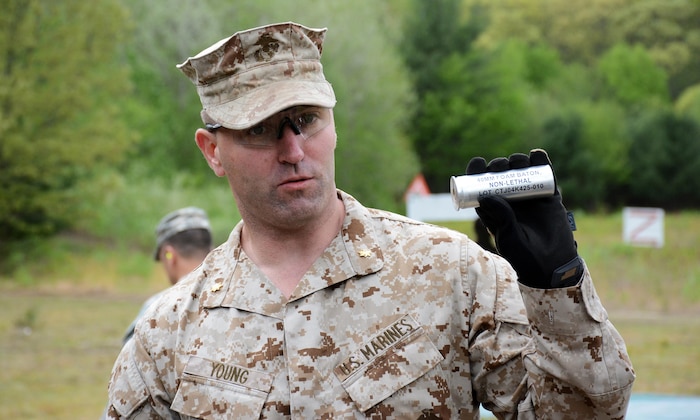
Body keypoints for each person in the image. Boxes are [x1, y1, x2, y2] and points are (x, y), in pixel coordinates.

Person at [105, 22, 634, 418]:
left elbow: (587, 413)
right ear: (213, 151)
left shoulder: (449, 274)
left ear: (333, 123)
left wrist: (557, 289)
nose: (293, 150)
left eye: (306, 120)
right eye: (260, 131)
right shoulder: (170, 330)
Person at [121, 206, 213, 344]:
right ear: (212, 250)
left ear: (169, 255)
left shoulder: (156, 310)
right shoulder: (241, 297)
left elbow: (130, 361)